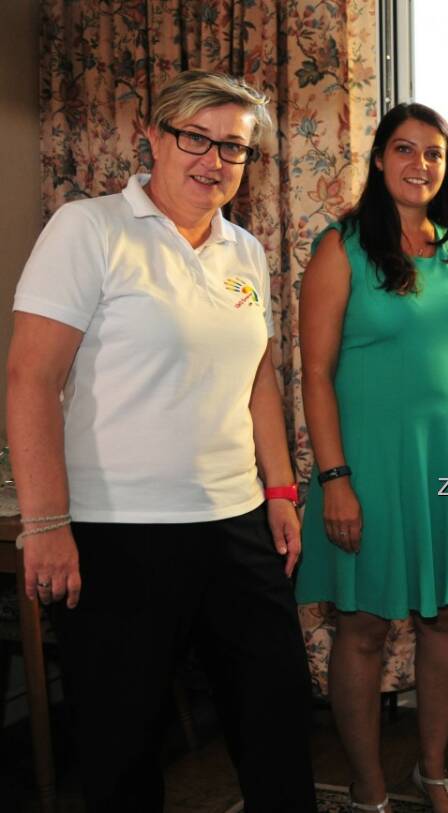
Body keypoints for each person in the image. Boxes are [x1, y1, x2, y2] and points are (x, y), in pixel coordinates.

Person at [7, 70, 316, 810]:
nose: (214, 160)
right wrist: (45, 523)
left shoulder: (243, 249)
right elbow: (28, 379)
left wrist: (277, 489)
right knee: (124, 750)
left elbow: (257, 379)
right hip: (119, 534)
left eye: (234, 149)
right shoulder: (89, 228)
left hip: (235, 521)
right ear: (154, 136)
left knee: (277, 722)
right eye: (196, 139)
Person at [295, 102, 448, 813]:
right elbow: (315, 372)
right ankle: (366, 783)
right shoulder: (340, 246)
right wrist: (335, 480)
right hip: (367, 466)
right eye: (405, 149)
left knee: (446, 618)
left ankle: (433, 769)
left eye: (435, 154)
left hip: (445, 461)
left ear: (447, 168)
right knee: (364, 625)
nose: (421, 165)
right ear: (380, 159)